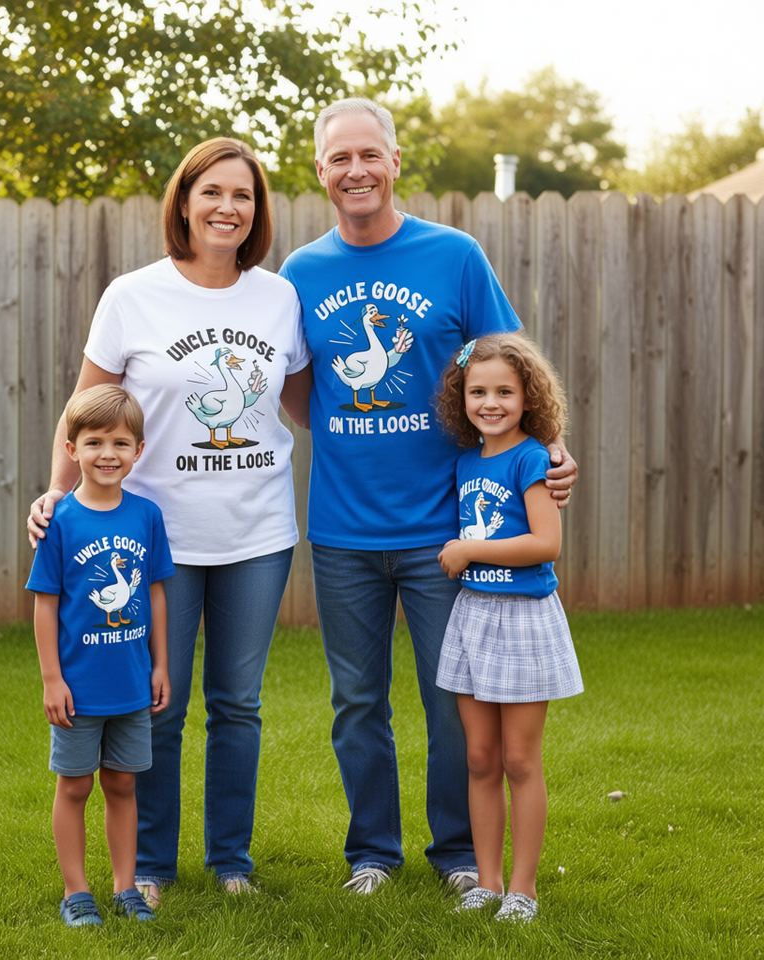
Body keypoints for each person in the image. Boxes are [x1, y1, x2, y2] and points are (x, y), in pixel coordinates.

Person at [278, 98, 578, 894]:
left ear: (395, 162)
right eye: (340, 159)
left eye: (369, 155)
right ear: (321, 172)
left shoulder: (455, 256)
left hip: (446, 533)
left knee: (454, 701)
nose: (356, 171)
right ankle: (373, 854)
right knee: (356, 702)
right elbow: (300, 392)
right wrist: (348, 431)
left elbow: (511, 364)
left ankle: (457, 856)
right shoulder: (300, 273)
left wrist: (551, 447)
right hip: (343, 531)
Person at [27, 138, 312, 906]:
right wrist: (56, 492)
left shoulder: (278, 299)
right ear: (183, 203)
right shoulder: (133, 296)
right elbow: (83, 410)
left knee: (238, 704)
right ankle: (150, 866)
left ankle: (231, 862)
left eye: (242, 195)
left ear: (257, 211)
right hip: (157, 541)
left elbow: (308, 407)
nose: (227, 207)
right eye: (211, 192)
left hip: (257, 534)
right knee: (160, 702)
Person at [435, 333, 583, 922]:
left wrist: (469, 548)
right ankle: (487, 883)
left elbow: (546, 543)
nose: (490, 403)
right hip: (473, 616)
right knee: (479, 757)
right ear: (461, 398)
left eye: (505, 392)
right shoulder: (466, 462)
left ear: (528, 398)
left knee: (519, 760)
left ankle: (524, 891)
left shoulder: (531, 459)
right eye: (478, 392)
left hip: (522, 619)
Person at [26, 384, 174, 927]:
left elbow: (154, 594)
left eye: (120, 443)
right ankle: (76, 892)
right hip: (79, 689)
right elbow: (45, 605)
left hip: (131, 684)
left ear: (138, 450)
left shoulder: (147, 516)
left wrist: (161, 665)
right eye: (94, 442)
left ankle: (125, 887)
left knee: (122, 783)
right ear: (72, 450)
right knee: (75, 785)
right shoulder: (60, 521)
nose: (107, 454)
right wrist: (52, 679)